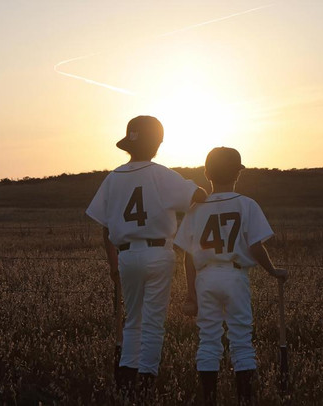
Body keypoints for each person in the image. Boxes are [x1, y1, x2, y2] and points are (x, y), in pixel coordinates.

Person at [85, 115, 207, 397]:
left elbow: (105, 229)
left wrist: (112, 264)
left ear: (128, 144)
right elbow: (198, 195)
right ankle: (147, 381)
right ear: (158, 144)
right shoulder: (161, 174)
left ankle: (127, 380)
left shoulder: (113, 177)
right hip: (158, 253)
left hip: (126, 256)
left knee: (133, 321)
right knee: (153, 322)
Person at [174, 147, 288, 405]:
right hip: (235, 276)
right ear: (238, 174)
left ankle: (210, 398)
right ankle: (244, 398)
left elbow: (188, 256)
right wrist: (273, 271)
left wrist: (190, 293)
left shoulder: (196, 208)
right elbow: (257, 246)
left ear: (206, 173)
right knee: (241, 338)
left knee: (208, 338)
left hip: (205, 278)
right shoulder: (246, 204)